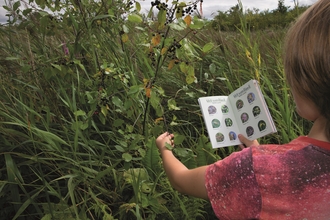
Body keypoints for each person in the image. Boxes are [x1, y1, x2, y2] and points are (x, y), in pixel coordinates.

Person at [156, 0, 330, 219]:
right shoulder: (266, 165)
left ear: (310, 82)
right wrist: (261, 152)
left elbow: (181, 180)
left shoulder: (253, 170)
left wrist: (164, 149)